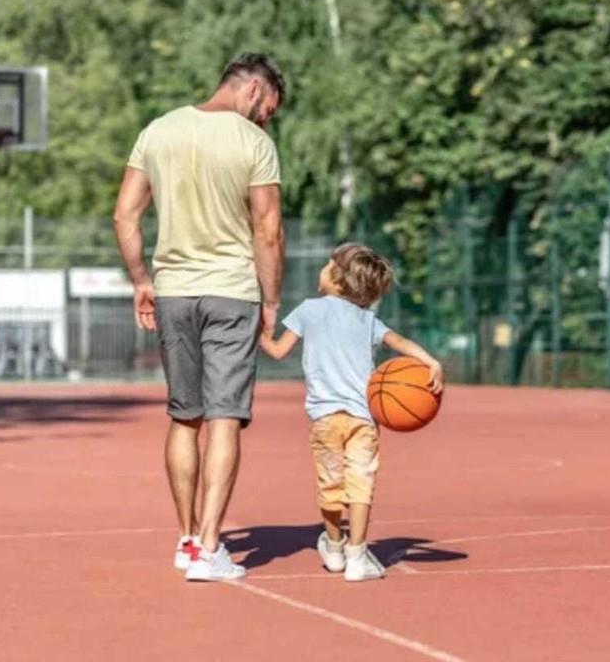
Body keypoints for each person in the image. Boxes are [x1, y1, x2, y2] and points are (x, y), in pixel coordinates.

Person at [113, 53, 285, 582]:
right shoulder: (253, 143)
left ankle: (188, 539)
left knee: (184, 417)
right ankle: (211, 547)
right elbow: (268, 229)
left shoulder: (158, 131)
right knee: (224, 417)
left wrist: (143, 280)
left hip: (173, 292)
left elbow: (125, 214)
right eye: (268, 109)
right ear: (253, 89)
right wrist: (272, 301)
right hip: (232, 292)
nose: (265, 120)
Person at [260, 243, 443, 582]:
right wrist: (431, 361)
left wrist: (256, 324)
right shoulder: (367, 319)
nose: (321, 270)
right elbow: (400, 342)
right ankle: (357, 555)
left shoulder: (309, 310)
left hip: (325, 418)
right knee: (361, 485)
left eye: (326, 265)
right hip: (363, 418)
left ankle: (333, 547)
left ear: (337, 278)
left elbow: (275, 350)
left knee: (330, 484)